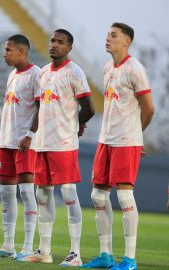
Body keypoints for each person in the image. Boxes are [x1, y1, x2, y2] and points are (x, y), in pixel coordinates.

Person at [81, 22, 154, 270]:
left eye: (113, 35)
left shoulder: (135, 69)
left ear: (127, 41)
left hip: (125, 141)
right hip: (106, 140)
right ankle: (105, 255)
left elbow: (149, 108)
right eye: (107, 34)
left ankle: (130, 260)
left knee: (124, 196)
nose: (108, 38)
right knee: (98, 195)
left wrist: (136, 135)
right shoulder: (107, 68)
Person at [25, 29, 95, 266]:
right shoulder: (43, 72)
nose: (54, 45)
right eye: (52, 41)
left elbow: (89, 108)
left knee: (68, 194)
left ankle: (75, 253)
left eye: (60, 42)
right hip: (43, 143)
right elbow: (39, 109)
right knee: (42, 194)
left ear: (69, 48)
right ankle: (44, 250)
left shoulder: (75, 72)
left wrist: (78, 123)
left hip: (64, 143)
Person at [0, 34, 39, 260]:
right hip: (6, 141)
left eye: (8, 50)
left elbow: (40, 108)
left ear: (22, 52)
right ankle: (8, 246)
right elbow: (9, 109)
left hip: (24, 143)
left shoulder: (36, 74)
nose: (4, 54)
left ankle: (27, 247)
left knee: (26, 192)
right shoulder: (12, 75)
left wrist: (31, 135)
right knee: (6, 193)